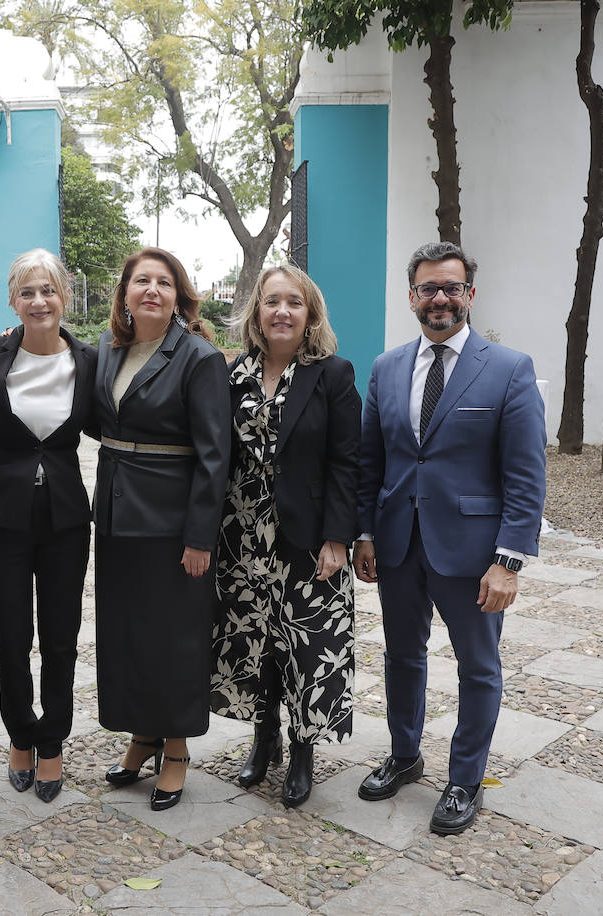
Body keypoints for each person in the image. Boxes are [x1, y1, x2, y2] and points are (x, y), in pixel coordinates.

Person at [353, 241, 546, 835]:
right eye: (428, 288)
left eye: (452, 287)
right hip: (397, 545)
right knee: (402, 655)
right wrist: (364, 532)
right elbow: (371, 462)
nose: (440, 298)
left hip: (472, 554)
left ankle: (465, 781)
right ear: (412, 297)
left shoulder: (508, 368)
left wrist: (509, 561)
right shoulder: (387, 367)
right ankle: (406, 756)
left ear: (470, 294)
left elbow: (525, 472)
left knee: (477, 666)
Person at [210, 265, 361, 808]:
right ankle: (264, 734)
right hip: (242, 535)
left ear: (310, 314)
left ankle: (302, 750)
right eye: (271, 301)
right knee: (258, 644)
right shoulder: (232, 376)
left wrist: (339, 537)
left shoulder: (334, 375)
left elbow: (347, 463)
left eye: (293, 302)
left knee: (306, 646)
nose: (282, 311)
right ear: (256, 313)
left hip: (308, 539)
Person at [0, 249, 98, 803]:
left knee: (60, 639)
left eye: (49, 290)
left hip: (66, 519)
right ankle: (20, 735)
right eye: (27, 292)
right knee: (11, 637)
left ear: (64, 297)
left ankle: (53, 741)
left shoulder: (88, 359)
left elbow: (125, 422)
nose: (39, 301)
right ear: (13, 301)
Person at [94, 247, 231, 811]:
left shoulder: (198, 357)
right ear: (125, 292)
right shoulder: (108, 349)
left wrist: (200, 537)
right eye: (141, 281)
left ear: (179, 296)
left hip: (172, 523)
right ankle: (142, 735)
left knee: (172, 637)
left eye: (164, 282)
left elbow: (215, 456)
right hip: (115, 513)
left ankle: (175, 749)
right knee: (126, 633)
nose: (151, 289)